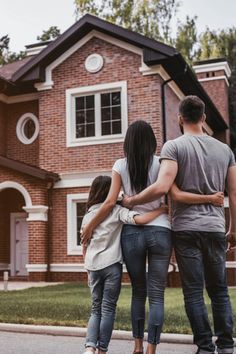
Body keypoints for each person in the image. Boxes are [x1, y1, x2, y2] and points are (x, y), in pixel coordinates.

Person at [81, 120, 224, 354]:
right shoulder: (162, 163)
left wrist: (90, 227)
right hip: (160, 231)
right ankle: (151, 350)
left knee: (139, 292)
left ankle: (136, 346)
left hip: (132, 234)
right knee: (156, 295)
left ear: (127, 142)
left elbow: (109, 202)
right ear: (152, 142)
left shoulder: (120, 165)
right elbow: (173, 194)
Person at [122, 97, 236, 354]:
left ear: (180, 118)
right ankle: (227, 347)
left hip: (185, 229)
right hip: (216, 228)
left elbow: (162, 188)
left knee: (194, 292)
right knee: (219, 291)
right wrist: (233, 229)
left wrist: (131, 200)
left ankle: (205, 348)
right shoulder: (225, 151)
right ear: (204, 118)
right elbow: (234, 194)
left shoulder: (173, 147)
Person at [82, 175, 169, 354]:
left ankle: (90, 347)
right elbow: (141, 220)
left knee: (95, 308)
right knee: (108, 309)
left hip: (93, 266)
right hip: (112, 266)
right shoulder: (116, 211)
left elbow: (85, 243)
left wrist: (87, 268)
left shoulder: (88, 216)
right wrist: (161, 210)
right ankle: (102, 350)